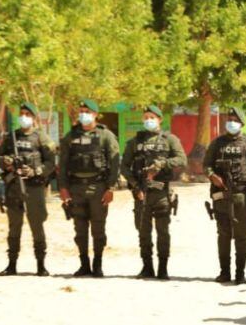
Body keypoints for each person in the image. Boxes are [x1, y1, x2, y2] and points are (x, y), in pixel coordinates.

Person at [121, 105, 186, 280]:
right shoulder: (135, 142)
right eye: (146, 117)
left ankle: (163, 268)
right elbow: (124, 166)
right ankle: (147, 267)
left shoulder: (169, 139)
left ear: (159, 119)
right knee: (143, 232)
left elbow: (181, 159)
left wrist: (161, 164)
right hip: (141, 192)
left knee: (163, 232)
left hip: (161, 192)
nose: (148, 120)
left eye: (152, 117)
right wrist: (135, 185)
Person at [57, 99, 119, 278]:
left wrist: (111, 188)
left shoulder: (105, 135)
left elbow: (115, 163)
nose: (83, 114)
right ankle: (84, 264)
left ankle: (97, 263)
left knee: (98, 228)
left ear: (95, 114)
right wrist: (63, 188)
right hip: (76, 188)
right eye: (81, 111)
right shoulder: (71, 136)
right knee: (80, 229)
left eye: (87, 111)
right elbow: (62, 163)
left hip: (98, 187)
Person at [203, 107, 246, 285]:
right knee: (223, 234)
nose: (231, 122)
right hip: (221, 195)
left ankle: (240, 273)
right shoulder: (217, 143)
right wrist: (212, 175)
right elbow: (206, 164)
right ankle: (224, 272)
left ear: (242, 124)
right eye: (229, 119)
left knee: (241, 235)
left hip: (241, 195)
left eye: (235, 120)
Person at [0, 102, 57, 277]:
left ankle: (41, 265)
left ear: (33, 118)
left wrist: (35, 171)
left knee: (37, 226)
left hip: (33, 187)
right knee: (14, 227)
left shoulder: (42, 138)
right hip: (14, 186)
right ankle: (11, 265)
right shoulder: (11, 137)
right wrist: (7, 161)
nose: (24, 117)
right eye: (21, 113)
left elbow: (51, 163)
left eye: (27, 114)